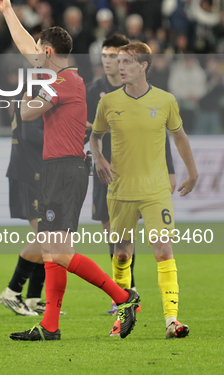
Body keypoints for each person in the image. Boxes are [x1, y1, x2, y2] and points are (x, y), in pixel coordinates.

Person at [0, 0, 140, 342]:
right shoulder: (57, 76)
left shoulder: (63, 81)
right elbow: (27, 45)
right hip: (57, 169)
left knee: (59, 251)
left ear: (48, 53)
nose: (33, 55)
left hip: (66, 170)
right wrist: (8, 10)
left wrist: (26, 93)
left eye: (39, 51)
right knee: (49, 251)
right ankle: (50, 327)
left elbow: (28, 112)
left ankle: (124, 298)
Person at [90, 42, 198, 339]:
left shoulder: (165, 101)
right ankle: (123, 315)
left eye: (126, 62)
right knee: (123, 255)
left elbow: (180, 137)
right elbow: (95, 136)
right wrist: (97, 156)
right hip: (120, 191)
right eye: (117, 62)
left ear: (143, 66)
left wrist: (193, 171)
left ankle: (172, 320)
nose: (119, 67)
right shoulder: (108, 102)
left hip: (155, 190)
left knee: (163, 250)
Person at [0, 108, 58, 317]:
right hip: (28, 174)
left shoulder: (35, 92)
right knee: (46, 237)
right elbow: (31, 134)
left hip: (38, 173)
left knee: (47, 238)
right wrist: (67, 134)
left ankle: (33, 298)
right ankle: (13, 291)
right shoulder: (32, 94)